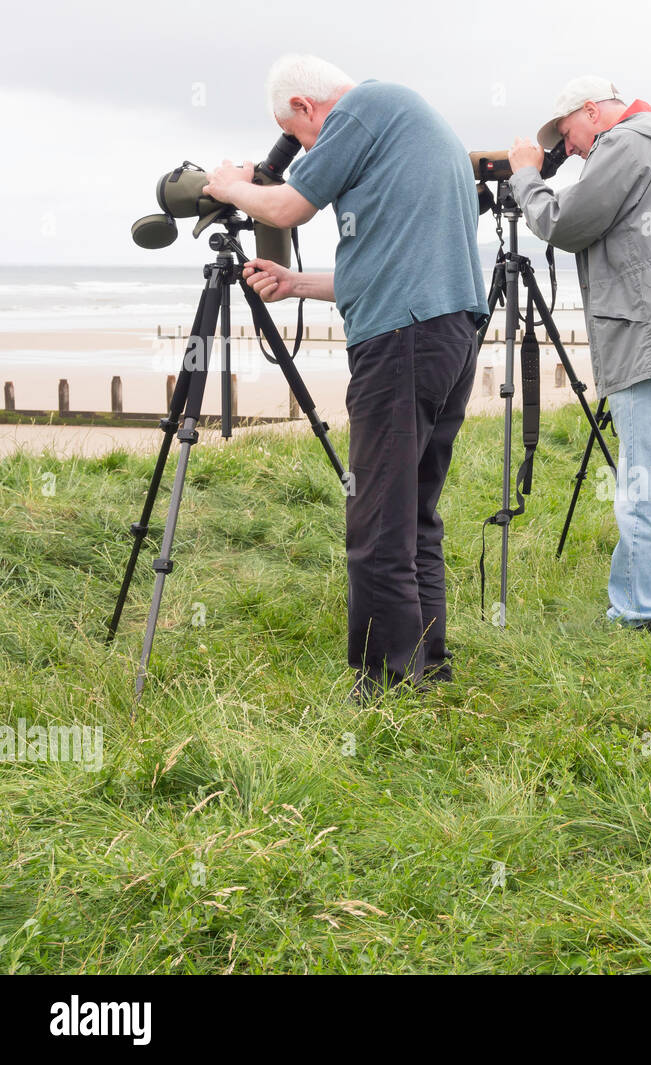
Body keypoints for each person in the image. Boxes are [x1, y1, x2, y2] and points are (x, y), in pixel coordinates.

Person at [203, 54, 487, 699]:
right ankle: (426, 665)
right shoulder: (408, 124)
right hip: (442, 333)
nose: (309, 150)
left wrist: (230, 186)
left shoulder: (364, 107)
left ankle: (386, 687)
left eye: (302, 138)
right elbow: (385, 268)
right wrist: (296, 284)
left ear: (305, 108)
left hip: (403, 343)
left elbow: (287, 208)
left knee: (377, 519)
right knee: (413, 513)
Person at [505, 76, 651, 628]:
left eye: (568, 132)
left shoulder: (626, 143)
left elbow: (563, 222)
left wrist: (526, 176)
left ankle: (638, 609)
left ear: (592, 113)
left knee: (643, 487)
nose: (571, 146)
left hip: (648, 339)